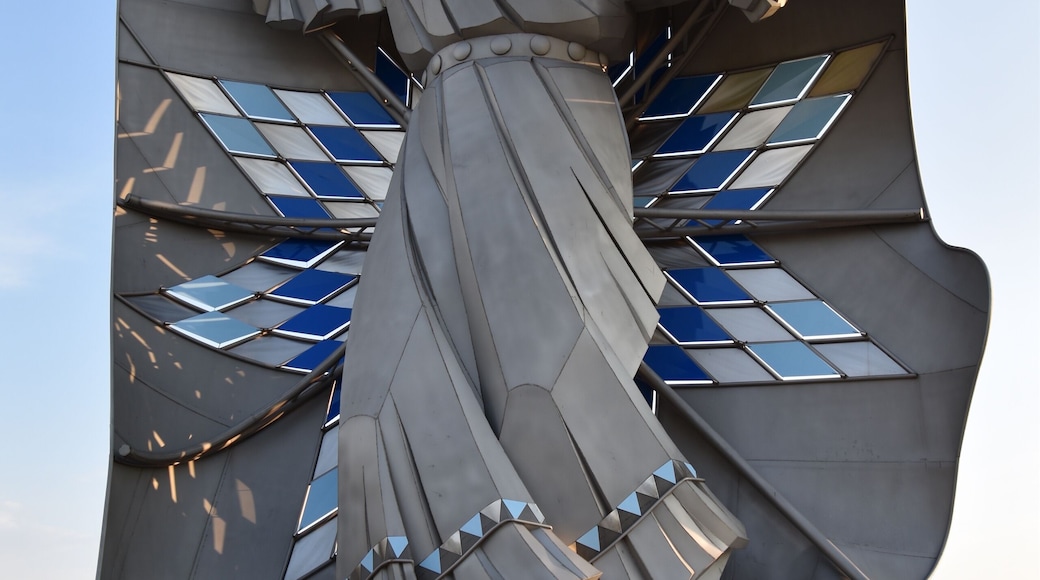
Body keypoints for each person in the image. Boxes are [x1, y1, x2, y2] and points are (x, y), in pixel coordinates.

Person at [256, 2, 747, 577]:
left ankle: (645, 560)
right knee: (382, 388)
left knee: (543, 369)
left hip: (541, 98)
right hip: (437, 121)